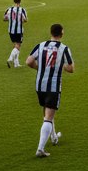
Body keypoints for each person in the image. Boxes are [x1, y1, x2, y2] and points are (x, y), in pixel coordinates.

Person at [25, 23, 74, 158]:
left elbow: (28, 61)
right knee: (48, 117)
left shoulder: (41, 45)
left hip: (40, 85)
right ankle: (40, 149)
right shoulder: (63, 48)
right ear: (62, 34)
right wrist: (61, 66)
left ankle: (53, 137)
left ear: (51, 33)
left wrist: (39, 68)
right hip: (53, 86)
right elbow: (71, 68)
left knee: (47, 112)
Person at [3, 0, 28, 68]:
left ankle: (16, 64)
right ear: (20, 1)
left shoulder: (9, 9)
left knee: (15, 44)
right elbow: (25, 20)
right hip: (19, 30)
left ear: (14, 1)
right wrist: (23, 20)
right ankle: (10, 59)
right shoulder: (22, 10)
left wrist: (11, 19)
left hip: (11, 30)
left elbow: (4, 19)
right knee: (18, 45)